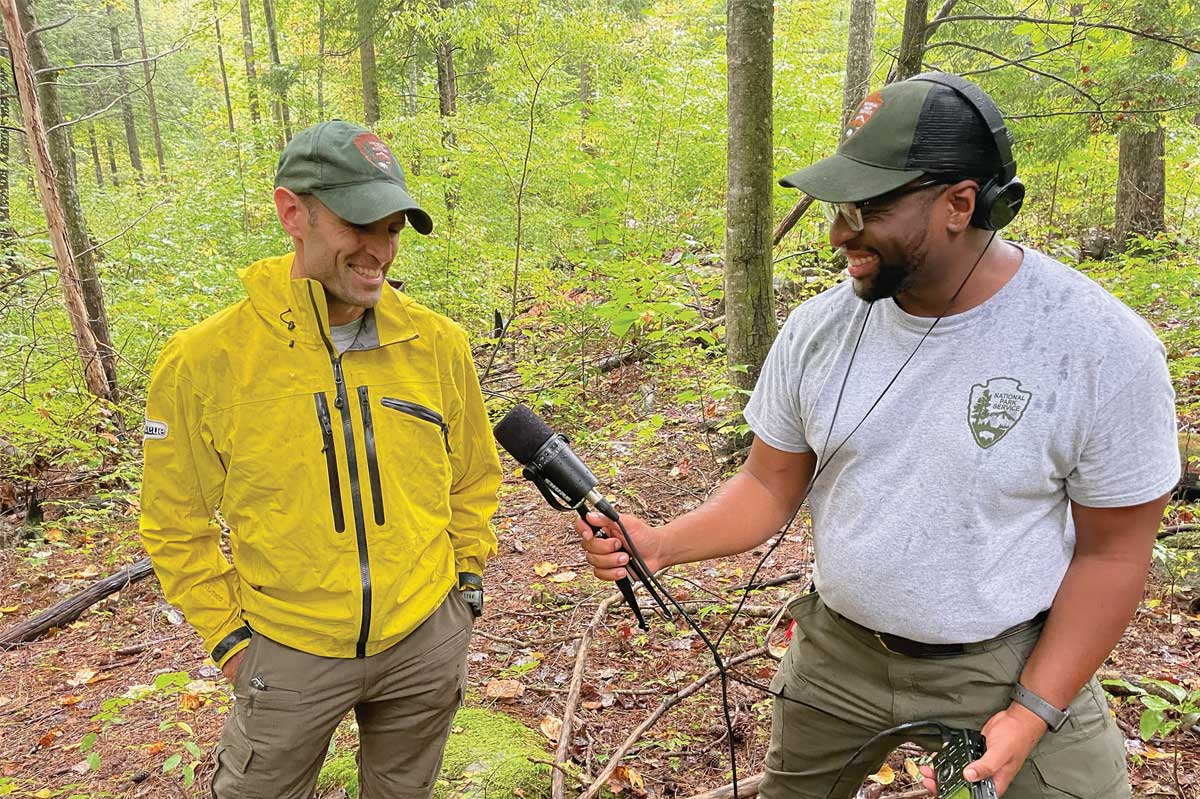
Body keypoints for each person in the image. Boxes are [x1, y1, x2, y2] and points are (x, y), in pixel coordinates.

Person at [576, 75, 1179, 798]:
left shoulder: (1097, 345)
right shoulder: (817, 330)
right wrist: (662, 543)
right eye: (839, 207)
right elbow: (770, 483)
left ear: (962, 204)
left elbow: (1114, 553)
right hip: (838, 656)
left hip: (1008, 662)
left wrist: (1032, 710)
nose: (838, 234)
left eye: (869, 209)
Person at [139, 120, 502, 798]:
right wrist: (233, 644)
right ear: (292, 212)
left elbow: (475, 475)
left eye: (393, 228)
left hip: (425, 636)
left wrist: (466, 585)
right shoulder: (205, 361)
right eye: (360, 223)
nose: (380, 251)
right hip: (286, 652)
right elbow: (173, 523)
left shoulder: (437, 344)